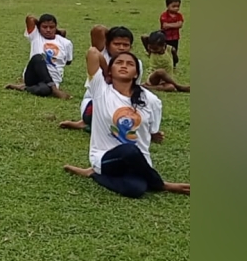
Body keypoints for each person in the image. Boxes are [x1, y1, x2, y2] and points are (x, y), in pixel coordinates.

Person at [63, 47, 189, 198]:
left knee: (136, 189)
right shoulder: (100, 90)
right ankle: (161, 184)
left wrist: (155, 135)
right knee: (128, 150)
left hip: (138, 162)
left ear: (136, 73)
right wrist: (105, 71)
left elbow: (152, 132)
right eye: (119, 63)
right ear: (111, 70)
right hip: (106, 157)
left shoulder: (150, 100)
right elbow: (92, 52)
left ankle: (92, 173)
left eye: (130, 64)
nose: (124, 66)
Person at [59, 25, 148, 133]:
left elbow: (134, 89)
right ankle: (86, 123)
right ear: (107, 44)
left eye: (125, 45)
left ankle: (86, 125)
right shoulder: (102, 54)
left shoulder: (136, 63)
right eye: (116, 44)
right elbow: (98, 30)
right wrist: (107, 72)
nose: (121, 48)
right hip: (94, 102)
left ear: (131, 47)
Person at [5, 14, 73, 99]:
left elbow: (68, 61)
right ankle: (54, 89)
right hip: (33, 76)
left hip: (53, 77)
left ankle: (23, 87)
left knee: (44, 90)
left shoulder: (66, 43)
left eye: (52, 27)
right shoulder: (36, 36)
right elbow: (30, 18)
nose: (48, 30)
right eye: (44, 27)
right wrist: (55, 30)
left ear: (55, 27)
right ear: (39, 27)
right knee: (39, 57)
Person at [159, 0, 184, 69]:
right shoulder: (164, 15)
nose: (176, 8)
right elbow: (164, 26)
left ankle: (173, 64)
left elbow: (180, 24)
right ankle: (165, 64)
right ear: (167, 6)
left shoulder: (179, 15)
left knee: (174, 51)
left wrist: (170, 25)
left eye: (178, 6)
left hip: (175, 38)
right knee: (165, 51)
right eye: (173, 6)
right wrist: (175, 25)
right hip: (166, 37)